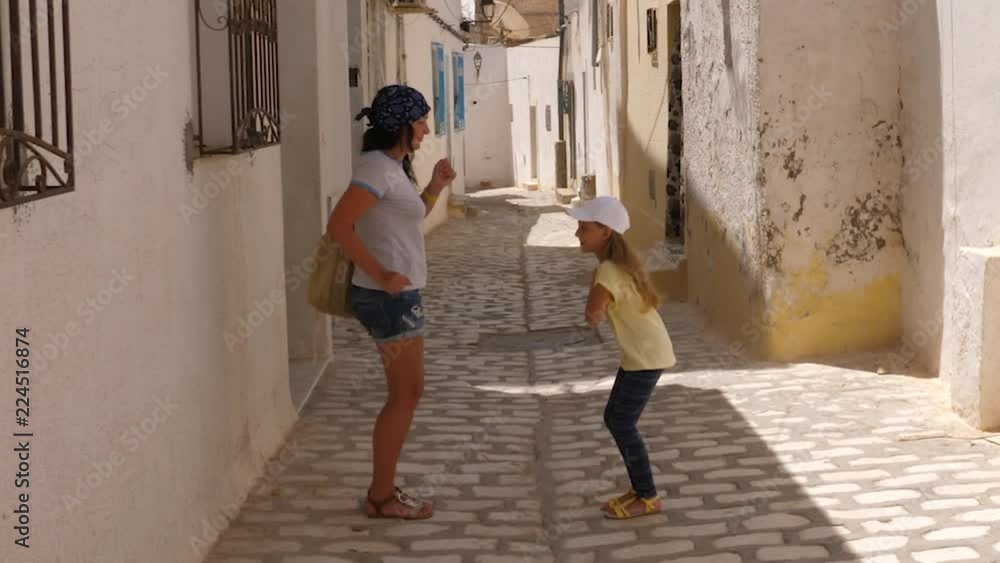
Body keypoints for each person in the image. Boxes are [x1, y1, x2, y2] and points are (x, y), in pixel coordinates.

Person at [327, 85, 456, 520]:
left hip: (398, 295)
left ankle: (382, 491)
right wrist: (381, 273)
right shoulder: (377, 169)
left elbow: (411, 215)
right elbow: (340, 226)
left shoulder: (392, 168)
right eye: (420, 120)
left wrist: (435, 187)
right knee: (404, 395)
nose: (425, 128)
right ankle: (381, 496)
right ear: (400, 125)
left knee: (408, 392)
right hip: (386, 297)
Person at [567, 196, 677, 519]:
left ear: (606, 233)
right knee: (614, 418)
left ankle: (648, 496)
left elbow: (593, 315)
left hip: (647, 356)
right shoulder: (616, 266)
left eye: (584, 228)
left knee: (622, 423)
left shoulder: (608, 271)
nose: (577, 234)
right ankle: (639, 489)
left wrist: (595, 292)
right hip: (642, 354)